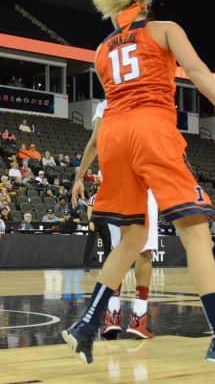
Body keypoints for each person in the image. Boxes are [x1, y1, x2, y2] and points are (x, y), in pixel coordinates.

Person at [62, 0, 215, 372]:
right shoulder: (165, 29)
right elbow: (198, 70)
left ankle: (86, 324)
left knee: (131, 238)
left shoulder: (101, 50)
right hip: (150, 128)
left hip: (113, 135)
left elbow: (114, 100)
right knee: (196, 233)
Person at [73, 99, 156, 340]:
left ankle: (111, 316)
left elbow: (94, 143)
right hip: (142, 179)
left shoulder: (104, 105)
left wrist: (79, 177)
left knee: (118, 252)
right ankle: (139, 319)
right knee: (144, 252)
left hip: (115, 183)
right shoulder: (145, 98)